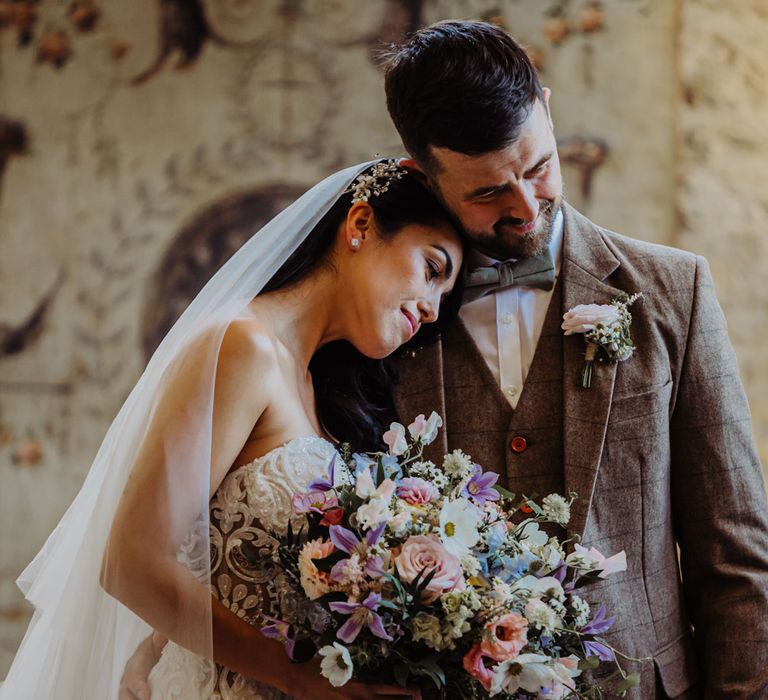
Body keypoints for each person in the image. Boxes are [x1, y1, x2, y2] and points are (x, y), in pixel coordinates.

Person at [382, 20, 768, 699]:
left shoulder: (677, 291)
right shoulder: (383, 322)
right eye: (487, 194)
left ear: (549, 111)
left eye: (537, 168)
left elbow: (738, 563)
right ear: (423, 176)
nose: (526, 206)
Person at [0, 160, 464, 699]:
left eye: (445, 297)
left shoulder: (314, 389)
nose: (432, 310)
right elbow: (130, 562)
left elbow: (226, 564)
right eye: (432, 270)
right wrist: (297, 676)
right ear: (360, 225)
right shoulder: (244, 347)